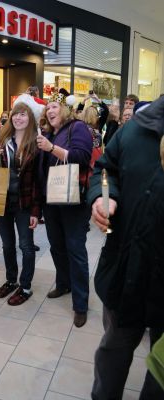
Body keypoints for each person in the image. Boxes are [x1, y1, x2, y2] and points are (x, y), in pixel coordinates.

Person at [88, 95, 164, 399]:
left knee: (160, 374)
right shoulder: (136, 129)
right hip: (125, 269)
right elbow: (105, 170)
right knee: (113, 352)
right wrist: (103, 197)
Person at [37, 91, 93, 327]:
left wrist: (51, 148)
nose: (50, 111)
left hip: (73, 201)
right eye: (47, 108)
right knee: (57, 246)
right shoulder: (50, 133)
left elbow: (82, 157)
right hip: (51, 201)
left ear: (65, 110)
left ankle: (80, 304)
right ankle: (64, 283)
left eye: (54, 107)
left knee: (75, 249)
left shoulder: (77, 127)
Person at [0, 94, 43, 306]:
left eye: (23, 114)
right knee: (7, 245)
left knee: (26, 246)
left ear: (30, 117)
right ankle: (11, 280)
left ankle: (26, 286)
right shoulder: (3, 140)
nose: (18, 118)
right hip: (3, 201)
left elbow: (39, 181)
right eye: (15, 114)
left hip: (25, 203)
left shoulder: (37, 143)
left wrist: (36, 212)